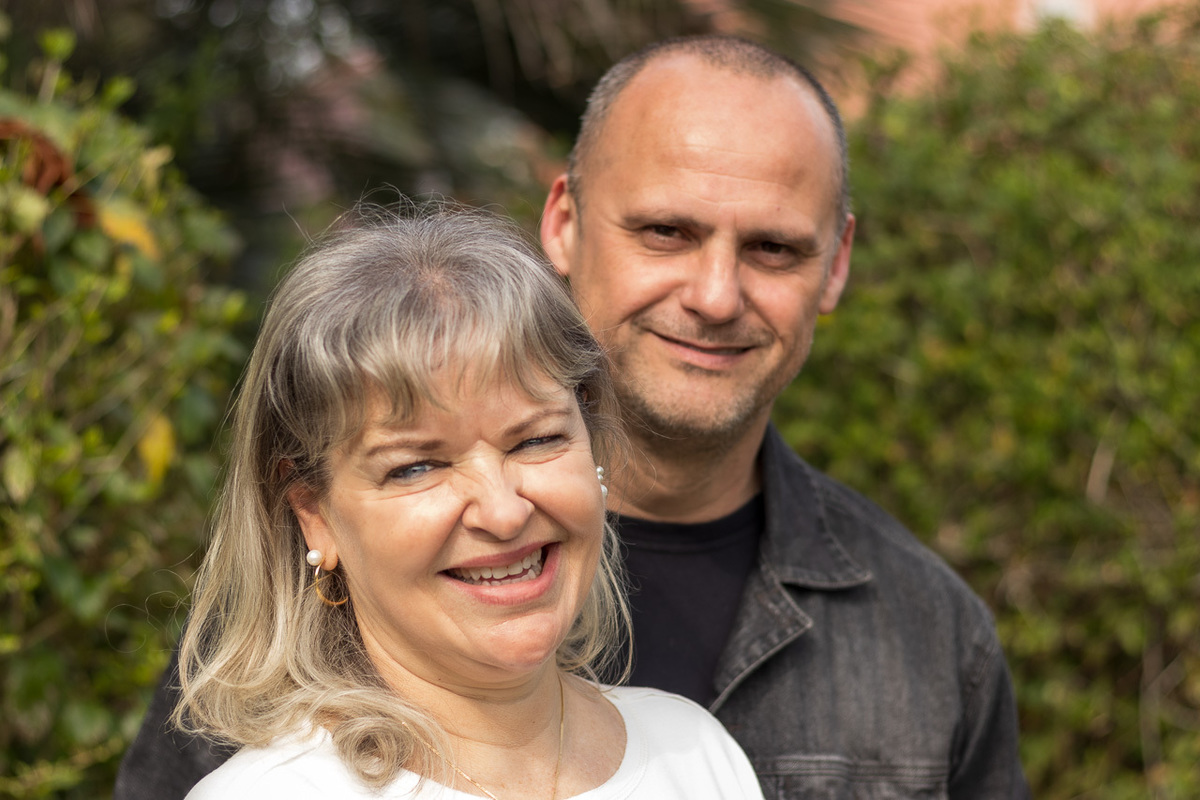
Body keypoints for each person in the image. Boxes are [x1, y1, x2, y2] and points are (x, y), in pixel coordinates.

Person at [118, 34, 1030, 800]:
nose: (715, 295)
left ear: (836, 267)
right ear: (564, 219)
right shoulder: (284, 649)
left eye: (775, 248)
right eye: (665, 231)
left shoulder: (927, 633)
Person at [162, 205, 766, 799]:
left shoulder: (697, 755)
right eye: (417, 466)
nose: (503, 512)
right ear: (314, 516)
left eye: (537, 440)